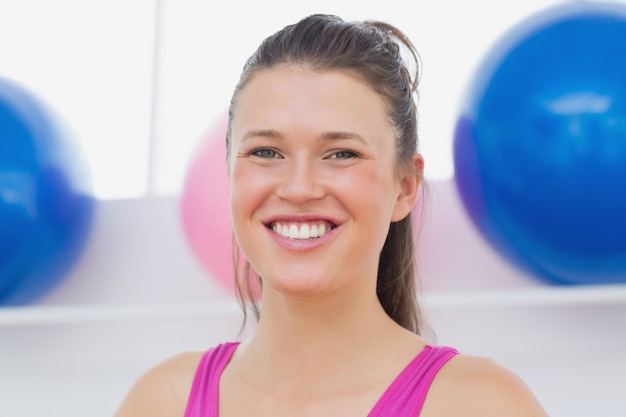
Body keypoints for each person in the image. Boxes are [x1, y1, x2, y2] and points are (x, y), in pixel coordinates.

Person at [114, 14, 549, 417]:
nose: (300, 188)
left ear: (405, 188)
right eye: (266, 152)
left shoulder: (481, 404)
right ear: (229, 173)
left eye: (342, 153)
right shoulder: (160, 400)